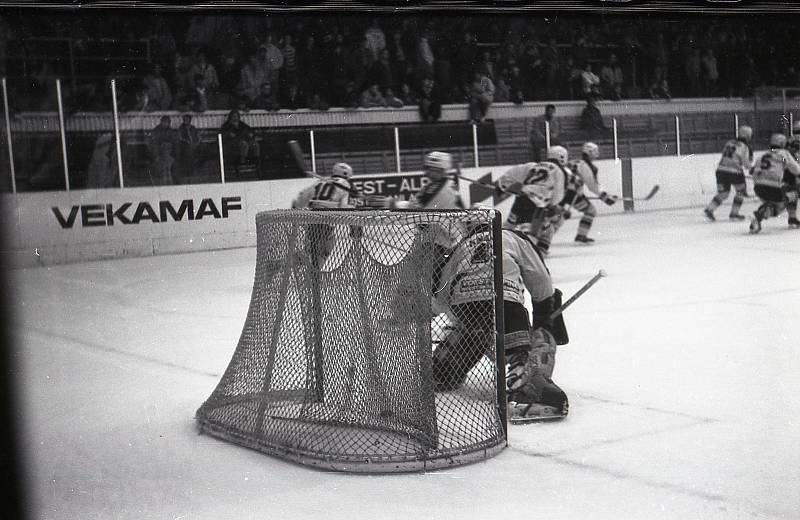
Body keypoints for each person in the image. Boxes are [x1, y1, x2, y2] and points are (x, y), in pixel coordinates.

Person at [432, 220, 569, 421]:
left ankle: (444, 369)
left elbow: (442, 296)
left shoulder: (462, 245)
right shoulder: (513, 237)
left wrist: (458, 317)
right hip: (506, 304)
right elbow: (541, 279)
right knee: (538, 341)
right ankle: (527, 386)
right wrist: (544, 314)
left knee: (475, 331)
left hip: (465, 307)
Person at [537, 142, 618, 252]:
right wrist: (605, 197)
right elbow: (592, 185)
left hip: (562, 193)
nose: (597, 153)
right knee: (562, 217)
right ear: (589, 152)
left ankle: (541, 239)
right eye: (595, 151)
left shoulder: (574, 162)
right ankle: (541, 242)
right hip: (570, 194)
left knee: (558, 217)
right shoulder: (586, 166)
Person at [496, 146, 569, 245]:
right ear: (562, 157)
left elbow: (513, 173)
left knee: (509, 226)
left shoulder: (534, 165)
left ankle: (494, 245)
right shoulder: (560, 171)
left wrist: (502, 185)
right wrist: (552, 206)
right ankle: (539, 250)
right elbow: (558, 194)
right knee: (534, 231)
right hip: (538, 204)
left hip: (521, 198)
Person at [292, 163, 359, 267]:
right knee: (318, 252)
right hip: (325, 222)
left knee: (315, 251)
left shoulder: (320, 182)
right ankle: (314, 277)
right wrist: (353, 225)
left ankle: (313, 275)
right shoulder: (345, 184)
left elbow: (300, 199)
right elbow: (344, 207)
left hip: (311, 219)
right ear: (346, 174)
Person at [749, 133, 800, 233]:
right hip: (772, 186)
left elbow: (753, 170)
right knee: (793, 193)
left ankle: (757, 219)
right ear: (782, 143)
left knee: (773, 206)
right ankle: (758, 215)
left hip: (758, 187)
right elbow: (795, 169)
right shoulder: (783, 154)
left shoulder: (763, 155)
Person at [703, 125, 753, 222]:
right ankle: (734, 214)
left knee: (723, 193)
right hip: (735, 172)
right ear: (748, 135)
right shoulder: (745, 147)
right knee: (740, 192)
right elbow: (746, 162)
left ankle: (709, 209)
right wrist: (751, 169)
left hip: (721, 170)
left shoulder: (729, 143)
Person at [785, 134, 800, 228]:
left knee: (792, 194)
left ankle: (792, 218)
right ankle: (792, 218)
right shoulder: (790, 154)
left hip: (790, 176)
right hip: (792, 176)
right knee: (793, 194)